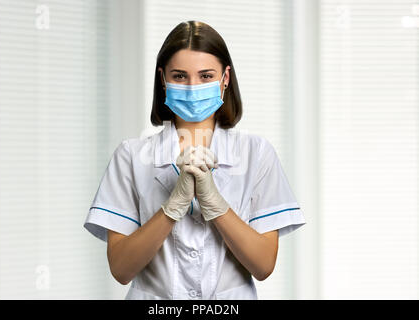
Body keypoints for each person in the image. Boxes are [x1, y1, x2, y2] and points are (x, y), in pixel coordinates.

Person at [83, 20, 306, 300]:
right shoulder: (131, 156)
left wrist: (216, 205)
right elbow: (121, 268)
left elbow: (263, 265)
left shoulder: (256, 153)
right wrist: (171, 208)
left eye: (205, 76)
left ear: (225, 78)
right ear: (163, 79)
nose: (192, 87)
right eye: (179, 76)